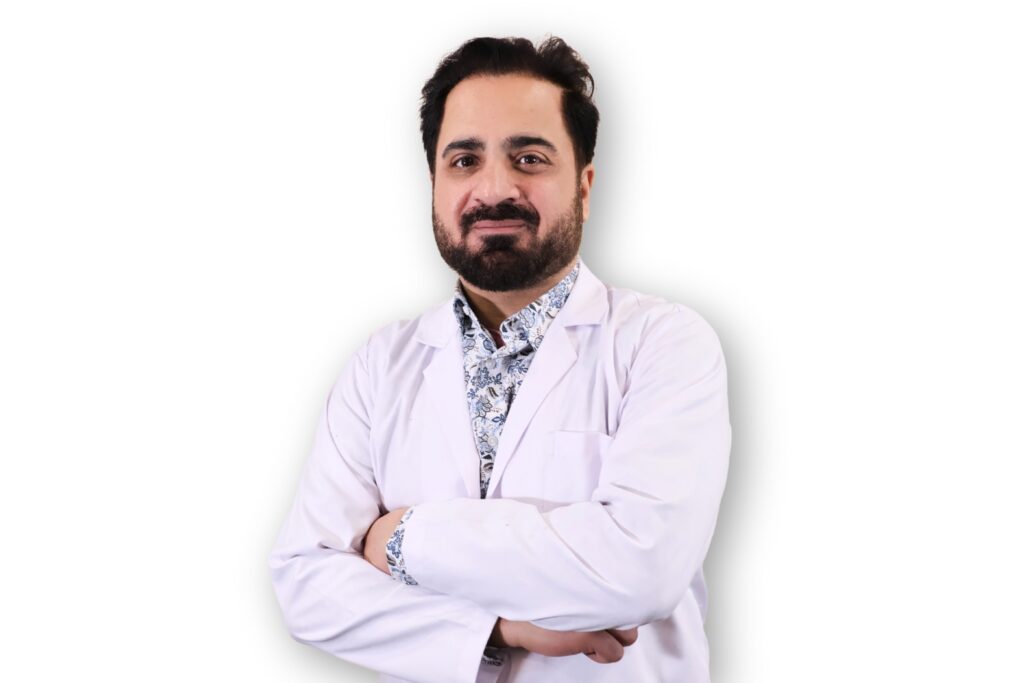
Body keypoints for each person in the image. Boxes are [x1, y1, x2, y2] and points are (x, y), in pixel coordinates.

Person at [268, 35, 732, 683]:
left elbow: (641, 571)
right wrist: (498, 631)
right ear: (434, 185)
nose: (494, 188)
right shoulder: (381, 365)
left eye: (529, 158)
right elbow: (307, 584)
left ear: (585, 186)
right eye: (464, 160)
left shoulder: (665, 344)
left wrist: (400, 539)